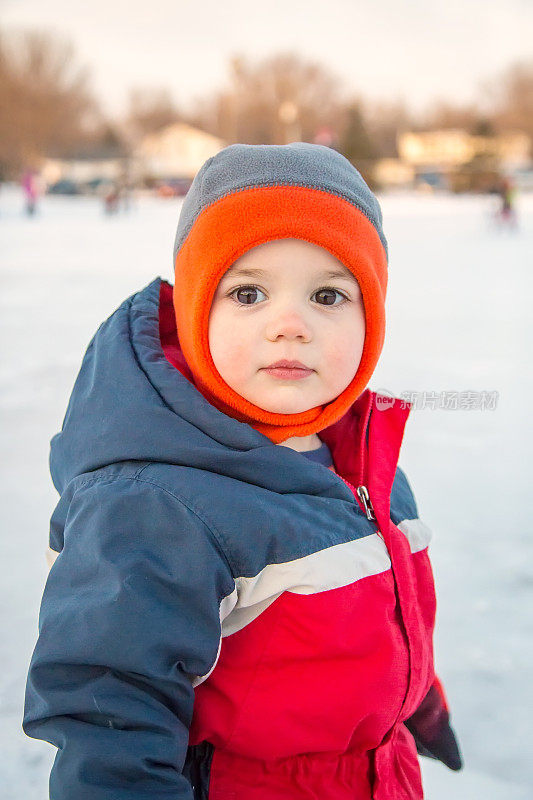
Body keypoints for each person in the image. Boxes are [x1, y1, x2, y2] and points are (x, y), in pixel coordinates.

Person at [23, 143, 463, 799]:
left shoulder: (359, 455)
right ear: (198, 310)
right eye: (248, 292)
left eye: (327, 294)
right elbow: (108, 718)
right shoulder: (158, 500)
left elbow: (377, 613)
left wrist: (419, 702)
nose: (289, 324)